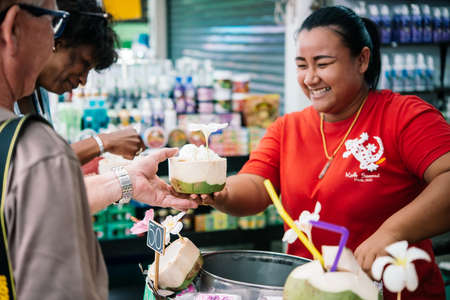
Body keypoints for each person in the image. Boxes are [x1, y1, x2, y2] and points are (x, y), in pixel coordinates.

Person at [195, 6, 450, 299]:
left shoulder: (404, 116)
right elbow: (255, 184)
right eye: (302, 65)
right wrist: (220, 191)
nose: (310, 78)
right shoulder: (287, 128)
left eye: (323, 64)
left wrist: (392, 232)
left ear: (362, 59)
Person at [0, 2, 197, 299]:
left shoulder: (31, 126)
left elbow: (35, 200)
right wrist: (103, 145)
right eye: (54, 20)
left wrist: (125, 181)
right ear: (12, 28)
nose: (82, 81)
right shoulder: (34, 147)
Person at [16, 0, 145, 165]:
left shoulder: (39, 93)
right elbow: (32, 165)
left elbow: (46, 161)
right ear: (55, 41)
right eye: (84, 63)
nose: (83, 80)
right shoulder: (7, 95)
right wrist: (102, 142)